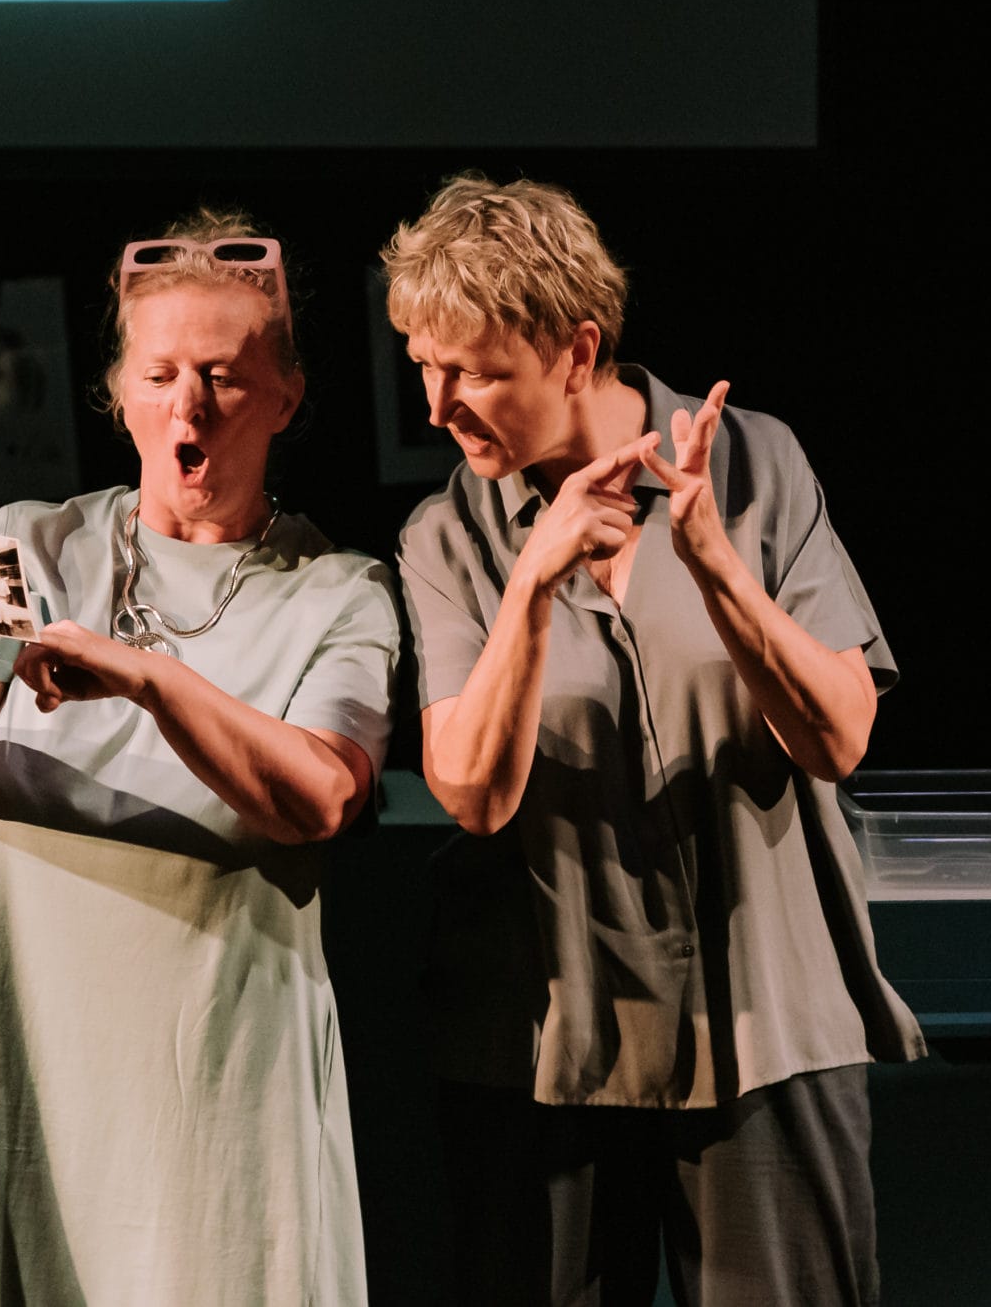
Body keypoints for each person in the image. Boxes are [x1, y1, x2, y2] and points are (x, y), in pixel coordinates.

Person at [381, 174, 924, 1307]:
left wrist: (715, 561)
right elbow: (471, 792)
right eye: (421, 364)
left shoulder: (755, 465)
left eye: (475, 372)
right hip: (546, 1037)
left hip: (763, 1019)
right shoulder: (449, 535)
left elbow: (839, 736)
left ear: (577, 351)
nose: (437, 406)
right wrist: (532, 579)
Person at [0, 210, 401, 1307]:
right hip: (17, 1054)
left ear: (286, 397)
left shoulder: (338, 590)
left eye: (223, 376)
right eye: (159, 375)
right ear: (118, 392)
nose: (188, 405)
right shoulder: (30, 544)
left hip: (212, 1079)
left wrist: (147, 678)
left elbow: (318, 796)